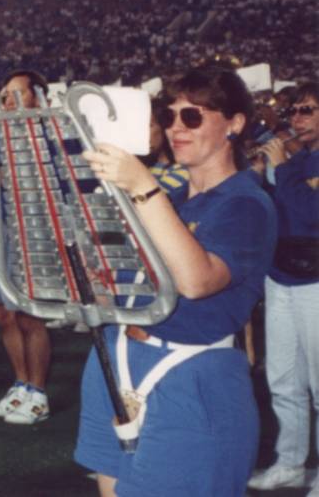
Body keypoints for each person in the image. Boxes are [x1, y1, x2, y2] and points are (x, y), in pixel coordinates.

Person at [75, 66, 277, 496]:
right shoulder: (178, 201)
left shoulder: (247, 203)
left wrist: (144, 188)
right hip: (119, 356)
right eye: (169, 117)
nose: (176, 128)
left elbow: (197, 281)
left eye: (193, 116)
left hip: (189, 372)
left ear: (235, 124)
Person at [248, 81, 319, 494]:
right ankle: (290, 462)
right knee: (283, 377)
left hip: (315, 280)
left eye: (308, 110)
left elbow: (311, 213)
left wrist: (283, 168)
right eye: (293, 111)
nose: (297, 119)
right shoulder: (296, 158)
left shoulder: (296, 162)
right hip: (281, 276)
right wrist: (260, 175)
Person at [0, 70, 53, 425]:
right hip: (0, 227)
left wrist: (2, 177)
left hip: (32, 228)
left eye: (17, 95)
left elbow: (49, 184)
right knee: (3, 313)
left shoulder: (48, 132)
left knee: (29, 314)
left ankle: (38, 392)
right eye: (5, 95)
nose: (8, 102)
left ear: (36, 97)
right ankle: (20, 385)